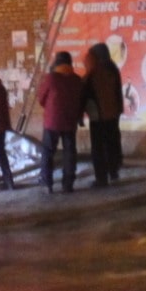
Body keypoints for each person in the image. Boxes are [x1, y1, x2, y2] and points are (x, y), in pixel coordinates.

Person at [36, 51, 87, 192]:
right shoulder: (77, 80)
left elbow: (41, 98)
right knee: (69, 152)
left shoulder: (51, 78)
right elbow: (81, 101)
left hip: (52, 121)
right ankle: (68, 184)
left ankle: (47, 183)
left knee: (48, 152)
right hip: (70, 121)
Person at [81, 41, 126, 187]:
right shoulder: (112, 68)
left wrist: (80, 113)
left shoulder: (95, 71)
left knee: (99, 147)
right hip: (113, 114)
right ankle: (113, 171)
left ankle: (101, 178)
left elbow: (86, 92)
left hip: (98, 116)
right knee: (112, 143)